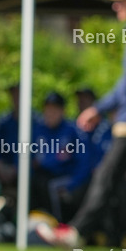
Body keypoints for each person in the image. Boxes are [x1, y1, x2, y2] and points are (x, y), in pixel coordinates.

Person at [39, 0, 126, 250]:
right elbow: (125, 87)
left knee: (106, 177)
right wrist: (98, 108)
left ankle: (77, 232)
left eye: (120, 1)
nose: (115, 7)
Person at [31, 92, 91, 222]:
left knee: (51, 186)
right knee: (33, 181)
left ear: (62, 111)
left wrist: (72, 184)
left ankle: (58, 225)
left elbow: (84, 163)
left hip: (67, 177)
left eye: (55, 110)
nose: (51, 113)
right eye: (48, 109)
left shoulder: (72, 130)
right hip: (44, 176)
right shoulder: (39, 129)